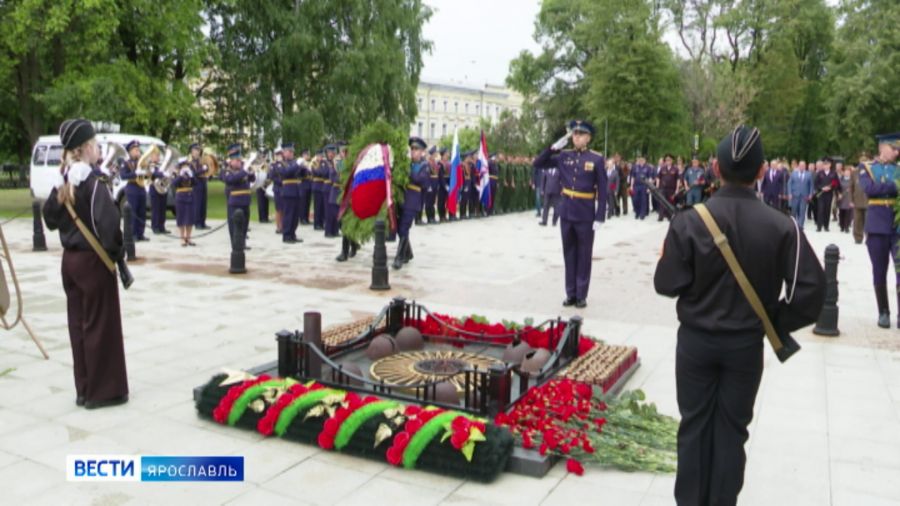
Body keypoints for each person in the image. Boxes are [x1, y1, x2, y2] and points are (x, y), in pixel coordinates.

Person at [654, 125, 825, 506]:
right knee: (732, 431)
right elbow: (813, 291)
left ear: (715, 168)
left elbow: (666, 284)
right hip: (744, 346)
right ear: (762, 171)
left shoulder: (690, 221)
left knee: (694, 426)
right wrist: (774, 319)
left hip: (696, 343)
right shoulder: (782, 225)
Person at [42, 119, 129, 409]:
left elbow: (50, 220)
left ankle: (83, 388)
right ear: (88, 147)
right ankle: (102, 392)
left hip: (70, 261)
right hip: (93, 262)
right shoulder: (93, 182)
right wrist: (117, 254)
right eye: (95, 145)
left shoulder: (63, 181)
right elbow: (109, 226)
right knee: (99, 326)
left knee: (78, 325)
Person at [533, 120, 608, 308]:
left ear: (588, 138)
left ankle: (581, 294)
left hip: (585, 213)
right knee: (569, 253)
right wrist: (552, 148)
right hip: (566, 210)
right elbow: (538, 163)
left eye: (581, 134)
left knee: (584, 254)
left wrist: (600, 216)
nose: (577, 137)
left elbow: (604, 190)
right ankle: (571, 293)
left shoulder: (596, 159)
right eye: (574, 134)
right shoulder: (563, 156)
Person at [859, 133, 899, 328]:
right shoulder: (867, 167)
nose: (897, 153)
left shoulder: (898, 169)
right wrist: (892, 187)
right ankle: (883, 311)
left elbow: (879, 188)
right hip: (876, 225)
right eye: (895, 149)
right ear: (883, 148)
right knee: (879, 270)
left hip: (896, 225)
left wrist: (883, 187)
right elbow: (870, 190)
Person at [394, 137, 430, 269]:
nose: (413, 152)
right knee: (399, 228)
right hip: (403, 199)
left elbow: (421, 180)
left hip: (413, 200)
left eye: (416, 149)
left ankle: (399, 258)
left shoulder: (424, 166)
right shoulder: (408, 164)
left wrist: (408, 171)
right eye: (412, 149)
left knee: (404, 228)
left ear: (422, 152)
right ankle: (408, 253)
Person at [222, 144, 254, 249]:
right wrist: (244, 171)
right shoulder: (227, 171)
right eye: (236, 160)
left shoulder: (243, 170)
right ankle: (235, 245)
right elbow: (231, 180)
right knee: (234, 226)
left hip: (245, 201)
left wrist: (251, 172)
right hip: (235, 201)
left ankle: (242, 243)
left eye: (239, 160)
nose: (239, 162)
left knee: (244, 225)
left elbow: (252, 179)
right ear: (231, 161)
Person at [118, 140, 149, 241]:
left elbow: (147, 176)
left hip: (141, 188)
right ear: (130, 151)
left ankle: (140, 233)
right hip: (132, 188)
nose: (138, 151)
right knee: (133, 212)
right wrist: (136, 173)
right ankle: (133, 234)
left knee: (142, 212)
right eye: (135, 150)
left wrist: (146, 172)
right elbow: (123, 176)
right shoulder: (126, 163)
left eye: (138, 149)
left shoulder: (142, 162)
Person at [278, 143, 303, 243]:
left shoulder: (294, 163)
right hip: (288, 191)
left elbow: (303, 174)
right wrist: (297, 164)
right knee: (288, 215)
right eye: (290, 151)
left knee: (295, 216)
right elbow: (286, 173)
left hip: (296, 191)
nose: (292, 153)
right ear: (284, 153)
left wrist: (303, 168)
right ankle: (286, 235)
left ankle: (292, 234)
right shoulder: (281, 163)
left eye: (293, 151)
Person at [172, 160, 196, 246]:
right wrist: (180, 175)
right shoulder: (176, 173)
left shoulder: (190, 173)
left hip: (190, 195)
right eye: (184, 165)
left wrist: (192, 176)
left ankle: (189, 237)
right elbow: (174, 183)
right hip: (180, 196)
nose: (186, 167)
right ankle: (182, 238)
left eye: (187, 165)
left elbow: (195, 183)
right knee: (181, 218)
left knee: (190, 218)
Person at [814, 158, 840, 232]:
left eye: (827, 164)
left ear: (830, 165)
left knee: (827, 210)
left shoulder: (833, 173)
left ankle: (826, 226)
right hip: (821, 194)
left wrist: (831, 187)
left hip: (829, 194)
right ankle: (819, 226)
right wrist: (822, 188)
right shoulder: (820, 173)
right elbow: (816, 184)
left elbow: (836, 183)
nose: (826, 166)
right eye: (824, 165)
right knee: (820, 210)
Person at [189, 143, 210, 230]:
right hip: (196, 184)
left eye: (198, 150)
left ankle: (202, 222)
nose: (197, 152)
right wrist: (203, 169)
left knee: (203, 203)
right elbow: (193, 173)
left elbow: (207, 170)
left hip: (203, 182)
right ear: (192, 152)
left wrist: (208, 171)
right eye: (195, 150)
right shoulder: (191, 162)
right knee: (197, 204)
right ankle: (197, 223)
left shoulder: (201, 161)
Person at [148, 148, 169, 235]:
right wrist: (163, 174)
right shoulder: (150, 165)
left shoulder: (160, 165)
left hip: (162, 188)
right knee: (156, 209)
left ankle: (162, 226)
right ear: (151, 156)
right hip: (154, 189)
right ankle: (155, 226)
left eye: (158, 155)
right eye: (156, 155)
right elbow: (154, 174)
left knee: (162, 208)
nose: (158, 157)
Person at [850, 155, 869, 244]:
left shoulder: (871, 172)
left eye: (865, 161)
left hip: (868, 201)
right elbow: (851, 187)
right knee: (857, 221)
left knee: (868, 221)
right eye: (862, 161)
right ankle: (858, 238)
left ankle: (868, 238)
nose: (863, 163)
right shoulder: (854, 173)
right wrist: (851, 200)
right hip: (857, 201)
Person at [323, 144, 341, 238]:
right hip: (327, 188)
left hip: (336, 188)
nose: (331, 154)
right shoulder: (325, 162)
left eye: (333, 152)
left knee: (336, 211)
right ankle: (328, 231)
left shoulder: (338, 161)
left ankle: (335, 230)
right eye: (329, 152)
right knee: (329, 212)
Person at [788, 160, 814, 229]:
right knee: (794, 211)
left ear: (805, 166)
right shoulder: (794, 173)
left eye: (803, 165)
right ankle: (793, 225)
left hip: (804, 196)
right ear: (798, 166)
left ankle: (800, 226)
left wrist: (811, 194)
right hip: (795, 195)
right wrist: (790, 193)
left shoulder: (809, 174)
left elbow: (811, 185)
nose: (802, 167)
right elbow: (789, 183)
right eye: (800, 165)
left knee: (802, 212)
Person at [656, 155, 680, 221]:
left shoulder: (675, 169)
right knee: (662, 202)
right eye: (666, 160)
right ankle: (661, 216)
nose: (668, 161)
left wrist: (677, 189)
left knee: (670, 202)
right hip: (663, 188)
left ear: (672, 161)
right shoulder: (662, 168)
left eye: (669, 160)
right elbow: (658, 177)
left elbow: (678, 179)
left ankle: (670, 216)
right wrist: (657, 186)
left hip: (671, 189)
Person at [268, 149, 285, 234]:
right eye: (278, 155)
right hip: (278, 188)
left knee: (285, 208)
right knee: (278, 209)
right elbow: (270, 176)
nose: (280, 156)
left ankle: (284, 226)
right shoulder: (273, 165)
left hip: (285, 188)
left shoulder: (285, 164)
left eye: (281, 155)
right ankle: (278, 227)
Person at [312, 149, 327, 230]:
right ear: (316, 156)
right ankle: (316, 224)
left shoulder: (323, 163)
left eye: (321, 156)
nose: (321, 157)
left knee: (322, 206)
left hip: (322, 185)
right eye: (319, 156)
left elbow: (324, 172)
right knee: (317, 207)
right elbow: (318, 172)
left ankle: (321, 223)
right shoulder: (314, 163)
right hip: (317, 186)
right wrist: (322, 169)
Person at [837, 164, 853, 233]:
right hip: (842, 198)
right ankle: (842, 226)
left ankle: (847, 227)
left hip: (849, 198)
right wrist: (838, 194)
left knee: (848, 213)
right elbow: (836, 188)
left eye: (848, 172)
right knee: (841, 213)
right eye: (845, 172)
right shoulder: (840, 179)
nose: (847, 173)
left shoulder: (853, 180)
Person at [437, 148, 449, 221]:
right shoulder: (439, 164)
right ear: (443, 155)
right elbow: (441, 176)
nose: (448, 154)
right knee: (440, 202)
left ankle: (444, 216)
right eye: (447, 153)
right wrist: (445, 186)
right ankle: (441, 216)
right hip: (441, 186)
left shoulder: (447, 163)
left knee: (445, 201)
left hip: (447, 185)